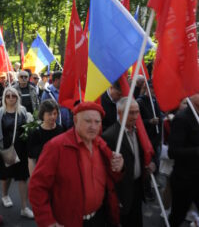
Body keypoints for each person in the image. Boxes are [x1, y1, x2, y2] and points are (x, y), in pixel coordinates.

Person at [29, 101, 124, 227]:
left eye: (97, 122)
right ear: (75, 120)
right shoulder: (56, 147)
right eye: (88, 121)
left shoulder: (101, 144)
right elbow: (37, 187)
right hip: (69, 222)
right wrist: (48, 221)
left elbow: (113, 177)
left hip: (100, 218)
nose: (93, 126)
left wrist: (120, 166)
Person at [102, 97, 155, 227]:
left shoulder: (139, 131)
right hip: (122, 191)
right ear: (120, 113)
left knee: (137, 221)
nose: (136, 116)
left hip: (138, 186)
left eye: (137, 112)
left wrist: (151, 164)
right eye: (131, 112)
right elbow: (107, 170)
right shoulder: (110, 136)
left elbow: (144, 153)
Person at [0, 87, 34, 218]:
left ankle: (24, 207)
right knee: (6, 175)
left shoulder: (23, 111)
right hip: (6, 148)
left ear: (17, 97)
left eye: (13, 96)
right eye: (8, 96)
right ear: (4, 98)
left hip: (21, 148)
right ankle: (5, 195)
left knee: (22, 177)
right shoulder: (1, 112)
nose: (10, 98)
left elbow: (26, 127)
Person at [168, 93, 199, 227]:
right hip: (185, 180)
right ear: (191, 96)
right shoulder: (182, 118)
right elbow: (173, 152)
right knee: (178, 215)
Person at [27, 99, 64, 176]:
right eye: (49, 114)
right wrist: (33, 178)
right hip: (42, 172)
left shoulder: (61, 130)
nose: (53, 117)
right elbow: (31, 159)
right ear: (42, 115)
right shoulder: (35, 133)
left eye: (55, 113)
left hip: (59, 172)